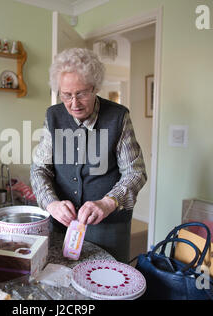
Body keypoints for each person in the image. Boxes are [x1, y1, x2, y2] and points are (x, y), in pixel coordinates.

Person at [30, 48, 147, 263]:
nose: (74, 104)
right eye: (66, 95)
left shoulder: (118, 116)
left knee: (107, 286)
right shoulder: (53, 116)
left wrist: (108, 202)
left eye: (82, 93)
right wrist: (51, 203)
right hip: (61, 223)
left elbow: (135, 172)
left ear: (95, 88)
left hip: (109, 227)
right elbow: (39, 168)